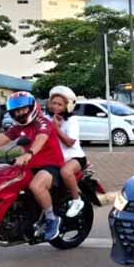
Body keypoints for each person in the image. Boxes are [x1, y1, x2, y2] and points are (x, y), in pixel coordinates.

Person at [0, 92, 66, 240]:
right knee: (5, 180)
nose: (19, 113)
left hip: (51, 165)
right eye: (16, 111)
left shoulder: (43, 122)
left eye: (23, 109)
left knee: (36, 186)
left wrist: (29, 153)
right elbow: (1, 139)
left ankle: (51, 219)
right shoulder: (18, 127)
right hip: (29, 165)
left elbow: (41, 139)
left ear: (31, 107)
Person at [46, 85, 86, 219]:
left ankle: (76, 200)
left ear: (67, 106)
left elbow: (70, 142)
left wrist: (56, 128)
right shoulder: (47, 118)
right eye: (54, 103)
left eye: (60, 104)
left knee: (65, 172)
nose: (56, 107)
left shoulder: (72, 121)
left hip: (75, 158)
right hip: (55, 159)